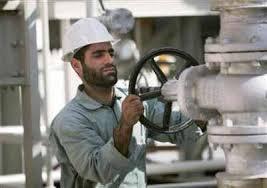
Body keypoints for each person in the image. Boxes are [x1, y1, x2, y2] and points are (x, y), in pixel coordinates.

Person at [49, 18, 202, 188]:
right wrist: (126, 124)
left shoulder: (131, 96)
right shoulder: (69, 121)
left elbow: (177, 129)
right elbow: (100, 171)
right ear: (77, 66)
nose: (108, 60)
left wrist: (206, 108)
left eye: (110, 52)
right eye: (98, 55)